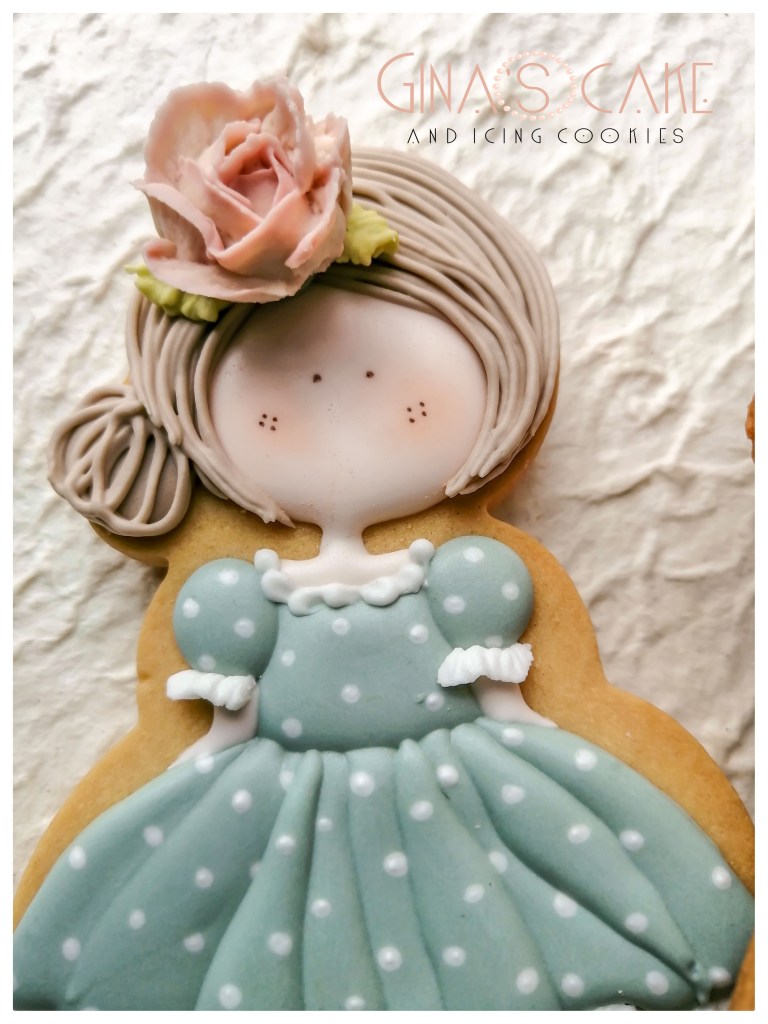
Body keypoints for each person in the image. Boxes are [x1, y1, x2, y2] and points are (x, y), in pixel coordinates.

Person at [14, 149, 753, 1011]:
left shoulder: (464, 575)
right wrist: (203, 761)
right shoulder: (241, 595)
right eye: (283, 394)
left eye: (390, 385)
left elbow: (508, 701)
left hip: (461, 788)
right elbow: (226, 721)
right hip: (274, 803)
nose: (340, 403)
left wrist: (532, 733)